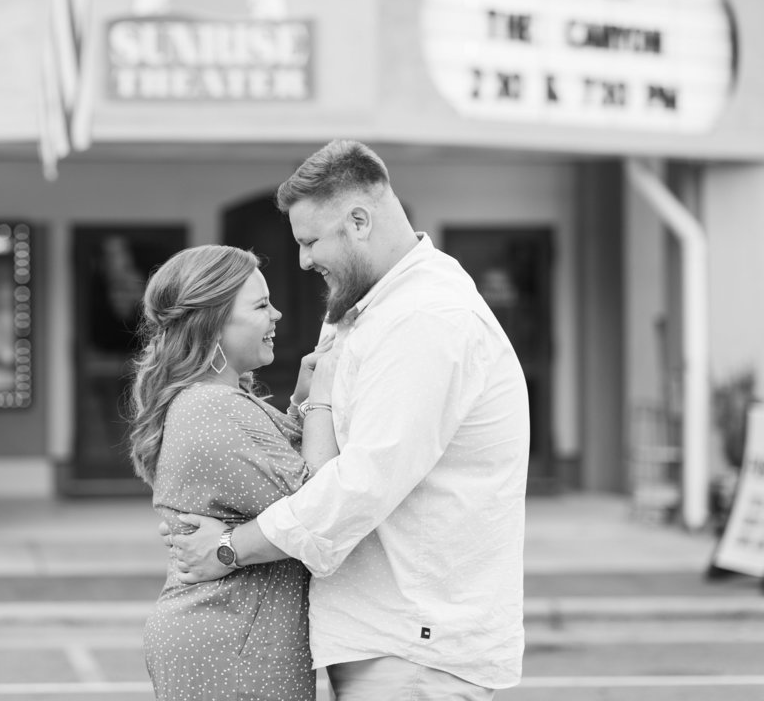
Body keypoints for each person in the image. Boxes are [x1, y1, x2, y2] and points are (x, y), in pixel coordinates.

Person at [171, 140, 531, 700]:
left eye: (311, 241)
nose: (303, 261)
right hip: (393, 640)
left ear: (359, 220)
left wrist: (229, 549)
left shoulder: (425, 320)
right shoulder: (377, 311)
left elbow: (363, 481)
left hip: (412, 648)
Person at [127, 244, 340, 701]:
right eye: (261, 305)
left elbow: (278, 477)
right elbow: (322, 502)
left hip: (237, 633)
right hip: (232, 642)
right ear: (213, 323)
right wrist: (323, 396)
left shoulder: (217, 401)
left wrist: (300, 404)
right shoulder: (212, 407)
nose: (278, 314)